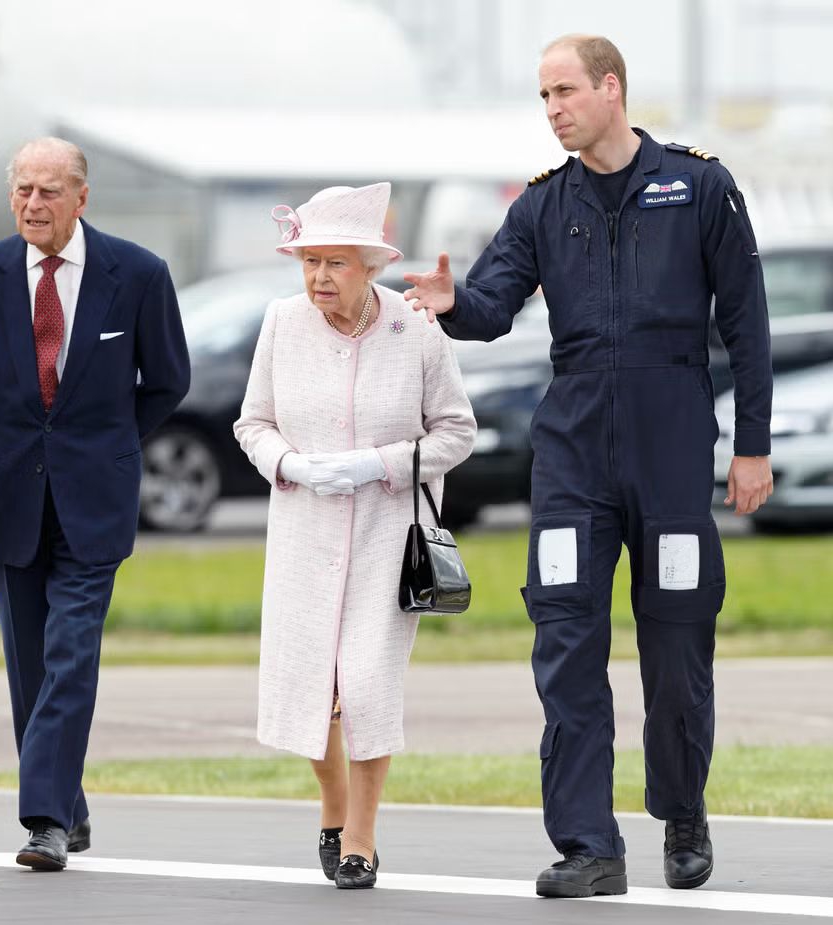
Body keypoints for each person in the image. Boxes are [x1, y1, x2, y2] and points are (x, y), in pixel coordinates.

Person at [404, 35, 773, 898]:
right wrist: (455, 304)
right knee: (566, 641)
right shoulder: (542, 205)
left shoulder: (699, 187)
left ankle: (682, 812)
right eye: (544, 95)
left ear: (612, 89)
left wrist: (751, 444)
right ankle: (587, 845)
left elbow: (747, 321)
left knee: (676, 642)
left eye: (565, 91)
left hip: (671, 443)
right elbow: (492, 304)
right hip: (572, 451)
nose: (553, 109)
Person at [0, 137, 191, 871]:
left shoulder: (139, 274)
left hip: (96, 500)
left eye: (49, 191)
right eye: (23, 190)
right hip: (8, 496)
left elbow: (168, 379)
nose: (33, 204)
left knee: (69, 654)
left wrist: (110, 443)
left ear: (81, 198)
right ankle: (70, 802)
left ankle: (44, 822)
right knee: (30, 667)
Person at [234, 182, 476, 889]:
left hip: (385, 536)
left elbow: (457, 432)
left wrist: (380, 464)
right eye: (310, 262)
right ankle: (333, 803)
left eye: (335, 263)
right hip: (304, 533)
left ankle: (361, 835)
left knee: (366, 685)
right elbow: (253, 423)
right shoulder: (282, 322)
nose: (319, 278)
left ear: (370, 265)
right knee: (311, 686)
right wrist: (292, 465)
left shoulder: (416, 327)